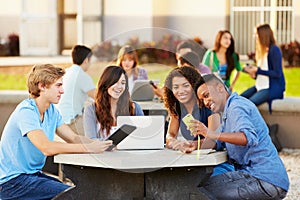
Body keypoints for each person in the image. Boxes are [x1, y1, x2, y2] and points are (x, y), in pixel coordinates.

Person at [0, 64, 112, 200]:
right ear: (42, 86)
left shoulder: (52, 111)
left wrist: (101, 143)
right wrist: (89, 148)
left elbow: (73, 138)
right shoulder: (26, 112)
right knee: (73, 195)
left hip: (31, 176)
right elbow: (46, 147)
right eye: (58, 86)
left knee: (72, 191)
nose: (63, 91)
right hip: (10, 182)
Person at [191, 74, 289, 199]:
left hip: (264, 180)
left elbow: (247, 137)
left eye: (206, 95)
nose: (205, 102)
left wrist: (211, 133)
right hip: (267, 180)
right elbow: (216, 142)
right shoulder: (228, 113)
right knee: (205, 184)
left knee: (200, 190)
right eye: (202, 100)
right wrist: (190, 145)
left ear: (220, 88)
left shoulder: (236, 107)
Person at [163, 66, 220, 153]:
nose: (180, 91)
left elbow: (213, 141)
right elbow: (171, 134)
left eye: (185, 86)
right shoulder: (177, 107)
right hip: (192, 157)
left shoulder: (209, 105)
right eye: (176, 87)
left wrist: (192, 144)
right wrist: (173, 142)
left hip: (213, 159)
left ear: (194, 86)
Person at [83, 65, 144, 140]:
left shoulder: (134, 107)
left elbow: (142, 136)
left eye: (123, 83)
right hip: (103, 152)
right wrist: (111, 144)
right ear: (106, 83)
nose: (119, 87)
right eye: (115, 82)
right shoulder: (91, 110)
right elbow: (91, 140)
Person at [240, 23, 285, 113]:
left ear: (263, 35)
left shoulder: (274, 50)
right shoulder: (263, 51)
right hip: (260, 86)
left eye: (256, 34)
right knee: (238, 100)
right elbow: (264, 72)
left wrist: (258, 70)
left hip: (271, 88)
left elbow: (277, 73)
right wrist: (253, 73)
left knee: (248, 105)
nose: (255, 37)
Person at [56, 44, 95, 135]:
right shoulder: (81, 75)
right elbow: (99, 97)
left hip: (59, 118)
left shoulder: (66, 72)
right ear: (86, 60)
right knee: (94, 137)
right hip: (71, 120)